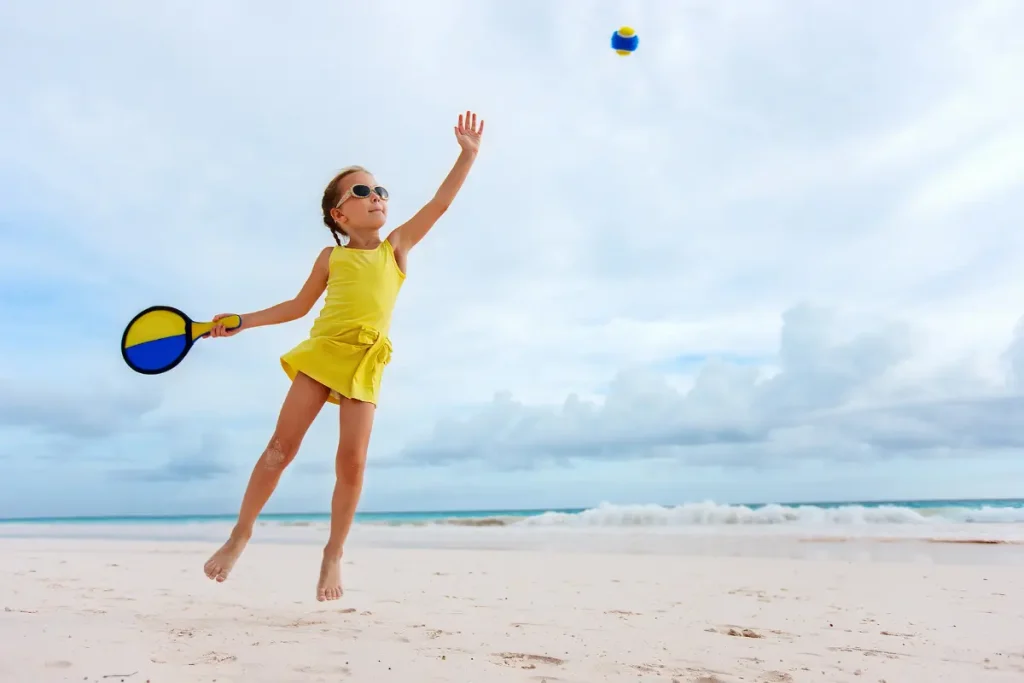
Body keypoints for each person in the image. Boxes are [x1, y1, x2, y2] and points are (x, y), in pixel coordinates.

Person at [201, 111, 484, 601]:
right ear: (339, 215)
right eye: (361, 192)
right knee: (279, 450)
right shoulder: (330, 257)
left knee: (352, 464)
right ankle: (239, 534)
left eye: (380, 191)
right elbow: (295, 307)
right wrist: (242, 320)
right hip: (324, 353)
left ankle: (333, 554)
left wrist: (467, 155)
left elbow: (439, 204)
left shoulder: (396, 248)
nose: (375, 197)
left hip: (367, 361)